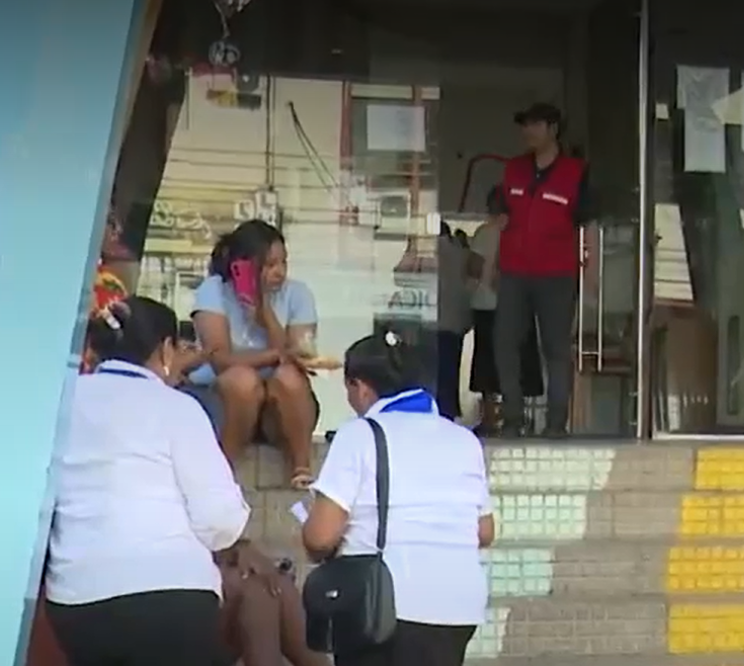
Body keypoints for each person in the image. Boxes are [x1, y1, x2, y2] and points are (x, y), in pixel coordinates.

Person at [45, 296, 251, 666]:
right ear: (166, 348)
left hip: (78, 601)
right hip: (173, 599)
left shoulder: (60, 403)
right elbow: (221, 521)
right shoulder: (178, 408)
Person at [302, 331, 495, 666]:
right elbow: (484, 532)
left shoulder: (360, 434)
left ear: (360, 387)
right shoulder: (463, 439)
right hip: (459, 606)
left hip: (387, 608)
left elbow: (320, 537)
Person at [187, 219, 321, 488]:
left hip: (280, 406)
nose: (279, 272)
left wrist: (265, 315)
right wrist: (274, 355)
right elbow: (220, 360)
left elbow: (299, 356)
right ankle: (223, 467)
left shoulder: (298, 294)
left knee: (288, 376)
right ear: (244, 265)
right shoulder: (214, 290)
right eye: (270, 265)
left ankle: (301, 465)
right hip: (226, 399)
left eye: (284, 263)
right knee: (242, 379)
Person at [494, 102, 596, 438]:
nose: (528, 131)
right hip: (514, 272)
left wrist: (590, 271)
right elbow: (498, 208)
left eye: (535, 125)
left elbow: (588, 224)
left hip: (556, 274)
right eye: (524, 125)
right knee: (505, 342)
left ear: (553, 129)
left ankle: (556, 423)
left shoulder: (576, 173)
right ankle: (512, 417)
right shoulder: (514, 170)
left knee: (555, 347)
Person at [469, 186, 544, 436]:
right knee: (518, 362)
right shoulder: (523, 233)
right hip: (517, 306)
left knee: (487, 365)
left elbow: (472, 268)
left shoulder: (484, 233)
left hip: (486, 305)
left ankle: (490, 417)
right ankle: (519, 414)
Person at [436, 221, 473, 421]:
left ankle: (438, 410)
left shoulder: (433, 251)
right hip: (456, 318)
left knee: (436, 370)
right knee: (451, 369)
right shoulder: (460, 252)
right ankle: (448, 410)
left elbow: (400, 274)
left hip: (437, 318)